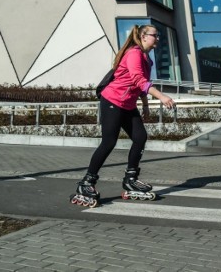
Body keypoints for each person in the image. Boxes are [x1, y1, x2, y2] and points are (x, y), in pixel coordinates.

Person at [70, 25, 175, 207]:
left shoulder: (147, 59)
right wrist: (162, 97)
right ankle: (87, 182)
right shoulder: (134, 53)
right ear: (143, 36)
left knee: (140, 137)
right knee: (109, 142)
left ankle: (130, 179)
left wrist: (146, 105)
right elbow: (138, 79)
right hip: (112, 100)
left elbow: (142, 84)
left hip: (127, 104)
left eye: (158, 36)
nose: (157, 38)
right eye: (154, 35)